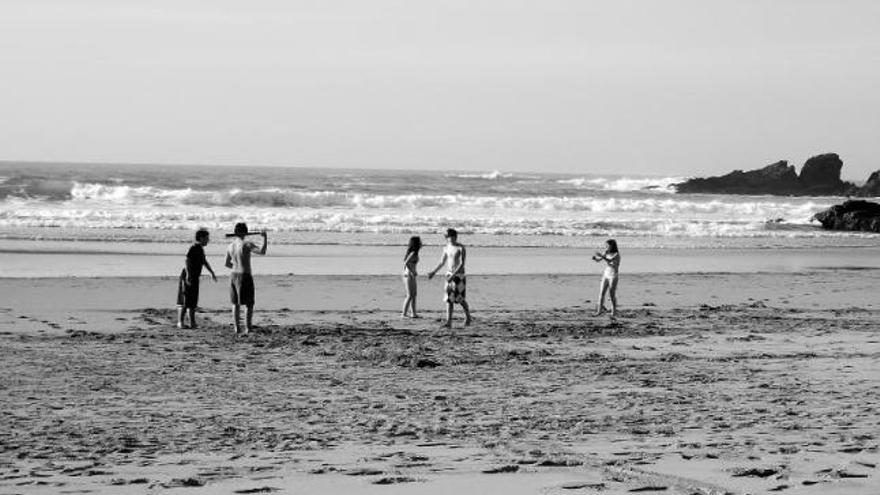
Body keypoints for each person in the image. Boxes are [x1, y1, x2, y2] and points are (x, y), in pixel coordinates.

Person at [225, 222, 268, 334]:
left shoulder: (230, 246)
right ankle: (248, 328)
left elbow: (227, 264)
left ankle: (237, 328)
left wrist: (236, 265)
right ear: (245, 232)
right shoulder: (247, 244)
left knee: (235, 303)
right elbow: (262, 252)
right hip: (245, 275)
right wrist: (265, 238)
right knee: (249, 304)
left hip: (233, 275)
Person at [428, 228, 472, 327]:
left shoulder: (461, 248)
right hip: (449, 274)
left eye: (452, 236)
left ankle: (468, 317)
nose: (451, 238)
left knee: (460, 298)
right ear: (446, 238)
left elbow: (461, 264)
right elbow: (442, 262)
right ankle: (448, 321)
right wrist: (433, 272)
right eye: (448, 236)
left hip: (459, 275)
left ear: (456, 236)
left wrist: (453, 275)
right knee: (449, 299)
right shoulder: (446, 248)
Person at [176, 228, 217, 329]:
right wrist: (189, 275)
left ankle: (192, 323)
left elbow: (204, 261)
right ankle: (180, 322)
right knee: (185, 301)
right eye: (207, 238)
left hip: (195, 276)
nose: (208, 240)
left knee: (193, 302)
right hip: (188, 276)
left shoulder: (200, 249)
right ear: (201, 238)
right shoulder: (193, 247)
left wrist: (211, 272)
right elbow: (187, 261)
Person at [591, 239, 620, 318]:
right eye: (605, 246)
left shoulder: (616, 254)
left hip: (613, 275)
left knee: (611, 294)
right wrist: (595, 258)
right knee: (601, 293)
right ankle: (599, 311)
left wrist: (602, 256)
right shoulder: (606, 252)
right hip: (606, 274)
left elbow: (609, 260)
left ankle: (614, 311)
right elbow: (599, 260)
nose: (606, 247)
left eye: (607, 246)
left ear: (612, 246)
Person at [401, 236, 422, 318]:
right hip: (408, 275)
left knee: (414, 294)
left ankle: (413, 313)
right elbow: (406, 262)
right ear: (416, 243)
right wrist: (413, 271)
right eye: (420, 242)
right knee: (410, 295)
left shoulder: (415, 252)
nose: (421, 243)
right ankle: (404, 314)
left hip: (411, 275)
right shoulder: (413, 253)